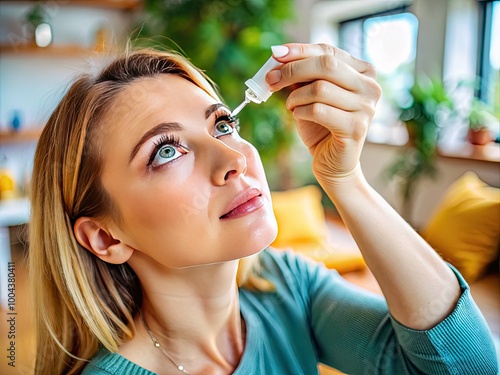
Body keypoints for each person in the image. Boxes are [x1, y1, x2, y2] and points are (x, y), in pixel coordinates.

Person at [29, 43, 497, 375]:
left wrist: (345, 181)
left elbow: (468, 366)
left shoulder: (288, 287)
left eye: (223, 124)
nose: (235, 158)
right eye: (166, 152)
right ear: (106, 238)